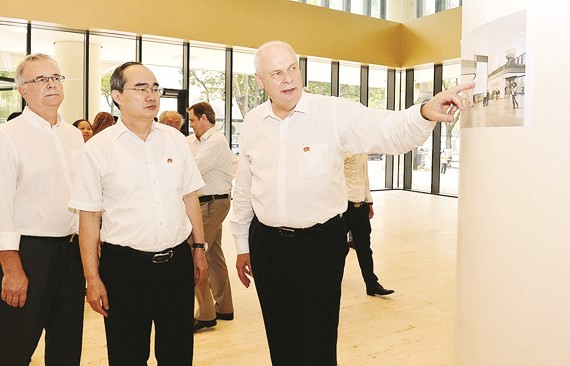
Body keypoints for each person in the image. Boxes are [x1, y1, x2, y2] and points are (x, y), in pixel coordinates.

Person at [230, 40, 473, 365]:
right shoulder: (253, 122)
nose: (288, 79)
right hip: (268, 245)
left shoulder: (331, 112)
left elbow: (388, 130)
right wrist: (242, 244)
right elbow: (244, 188)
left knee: (318, 343)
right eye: (276, 73)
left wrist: (425, 110)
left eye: (292, 68)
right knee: (280, 339)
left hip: (319, 245)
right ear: (260, 81)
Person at [68, 61, 208, 365]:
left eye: (155, 88)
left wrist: (198, 248)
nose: (151, 95)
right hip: (125, 269)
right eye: (141, 88)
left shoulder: (176, 142)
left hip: (176, 264)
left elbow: (189, 197)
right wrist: (92, 278)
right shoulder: (98, 149)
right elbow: (89, 218)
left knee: (178, 353)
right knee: (127, 355)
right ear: (117, 95)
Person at [0, 53, 85, 366]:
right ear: (23, 90)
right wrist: (11, 268)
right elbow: (1, 205)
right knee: (14, 347)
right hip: (28, 256)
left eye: (56, 78)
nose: (51, 84)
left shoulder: (75, 136)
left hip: (72, 254)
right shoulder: (8, 137)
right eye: (41, 79)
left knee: (67, 345)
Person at [187, 101, 237, 331]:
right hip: (209, 203)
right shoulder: (199, 141)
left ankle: (206, 312)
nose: (191, 125)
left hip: (212, 204)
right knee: (214, 254)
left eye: (193, 120)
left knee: (194, 252)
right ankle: (224, 307)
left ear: (204, 119)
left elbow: (192, 169)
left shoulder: (215, 141)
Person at [343, 153, 394, 297]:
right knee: (338, 250)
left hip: (361, 207)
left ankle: (371, 284)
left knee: (365, 248)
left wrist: (369, 202)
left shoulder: (362, 150)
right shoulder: (343, 148)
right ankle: (329, 282)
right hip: (344, 207)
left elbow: (365, 178)